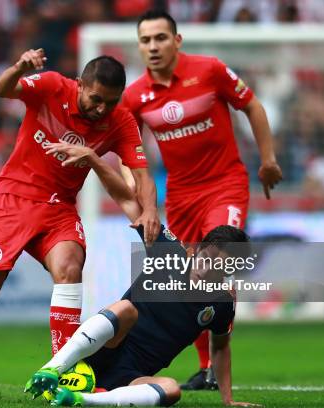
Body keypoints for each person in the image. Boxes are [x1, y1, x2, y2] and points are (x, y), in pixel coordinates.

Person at [0, 50, 160, 403]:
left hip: (59, 208)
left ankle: (63, 372)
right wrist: (18, 69)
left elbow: (143, 175)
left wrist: (150, 210)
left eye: (110, 102)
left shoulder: (120, 120)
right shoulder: (53, 86)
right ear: (80, 85)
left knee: (71, 266)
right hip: (14, 199)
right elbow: (1, 90)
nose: (102, 109)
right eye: (96, 99)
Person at [23, 143, 259, 407]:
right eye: (207, 257)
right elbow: (126, 199)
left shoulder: (222, 303)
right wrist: (93, 159)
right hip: (103, 351)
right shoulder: (169, 253)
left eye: (219, 266)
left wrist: (228, 400)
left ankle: (80, 399)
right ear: (197, 250)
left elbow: (220, 347)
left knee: (171, 389)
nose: (208, 268)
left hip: (131, 376)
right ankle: (52, 369)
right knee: (126, 309)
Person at [119, 10, 283, 389]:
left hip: (225, 183)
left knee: (217, 261)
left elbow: (252, 106)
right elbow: (128, 151)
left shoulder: (209, 71)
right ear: (139, 47)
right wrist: (142, 198)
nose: (153, 46)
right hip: (180, 195)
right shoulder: (134, 96)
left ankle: (215, 365)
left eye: (160, 38)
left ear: (177, 41)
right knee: (189, 277)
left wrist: (269, 159)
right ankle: (207, 368)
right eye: (146, 40)